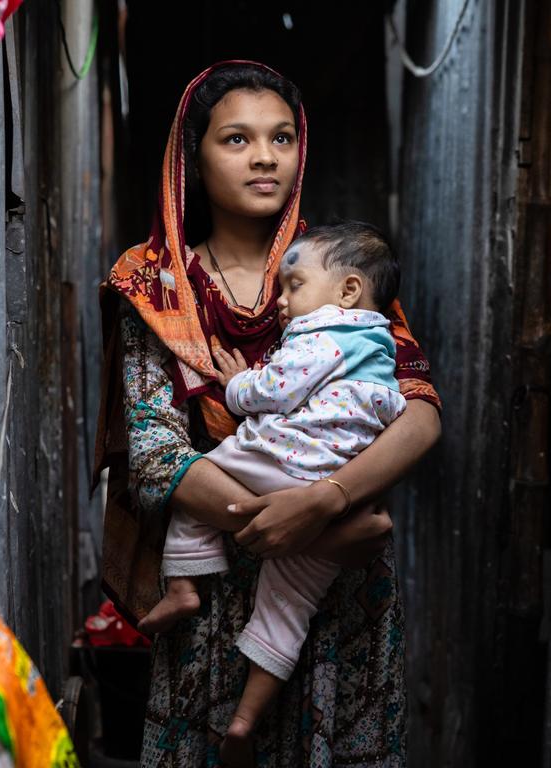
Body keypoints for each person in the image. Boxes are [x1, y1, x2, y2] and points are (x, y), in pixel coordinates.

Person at [94, 61, 442, 767]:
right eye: (237, 140)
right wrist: (280, 527)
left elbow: (419, 414)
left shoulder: (340, 274)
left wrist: (326, 502)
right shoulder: (155, 285)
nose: (264, 157)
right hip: (216, 592)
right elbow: (158, 451)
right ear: (192, 156)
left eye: (282, 138)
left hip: (340, 593)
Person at [140, 221, 410, 765]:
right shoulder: (378, 335)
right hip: (343, 498)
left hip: (287, 460)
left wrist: (237, 386)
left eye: (293, 288)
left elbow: (273, 390)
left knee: (209, 468)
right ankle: (246, 718)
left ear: (348, 290)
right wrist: (328, 527)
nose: (283, 302)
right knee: (288, 610)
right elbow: (406, 413)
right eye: (236, 139)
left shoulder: (323, 330)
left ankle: (185, 580)